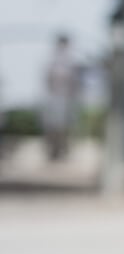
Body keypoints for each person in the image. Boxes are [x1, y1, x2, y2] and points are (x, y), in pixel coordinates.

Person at [42, 32, 82, 161]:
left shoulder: (71, 61)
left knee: (65, 127)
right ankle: (53, 152)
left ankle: (63, 151)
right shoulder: (52, 60)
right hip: (55, 98)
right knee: (53, 126)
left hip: (67, 99)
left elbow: (75, 82)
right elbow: (48, 80)